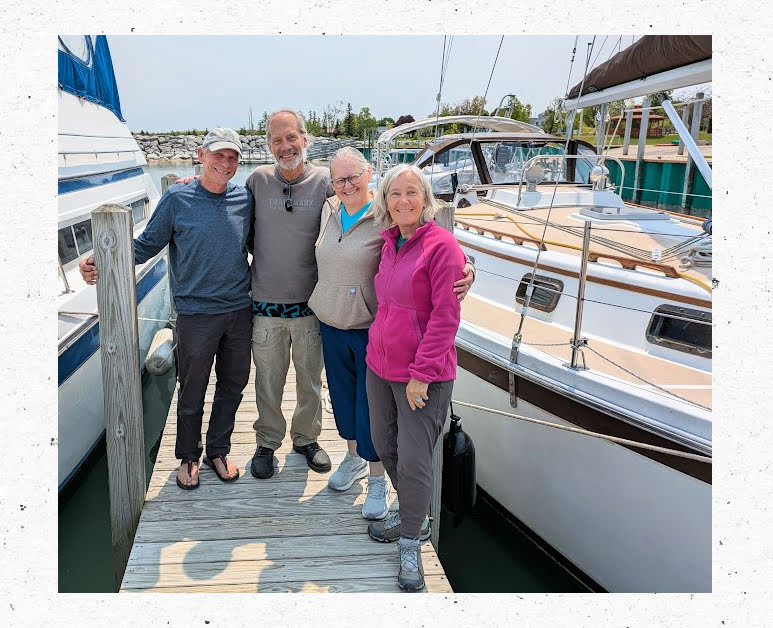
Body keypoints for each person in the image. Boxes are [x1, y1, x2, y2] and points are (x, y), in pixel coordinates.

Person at [79, 128, 254, 490]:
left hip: (239, 310)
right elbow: (145, 246)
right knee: (192, 389)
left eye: (233, 157)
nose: (226, 163)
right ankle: (189, 456)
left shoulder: (245, 199)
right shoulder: (176, 198)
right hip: (195, 314)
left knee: (234, 385)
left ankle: (218, 450)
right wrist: (102, 259)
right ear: (201, 154)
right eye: (219, 155)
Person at [308, 147, 474, 522]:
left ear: (369, 174)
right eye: (339, 179)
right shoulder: (330, 210)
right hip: (333, 322)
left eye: (354, 176)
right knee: (345, 404)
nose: (347, 185)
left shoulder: (382, 219)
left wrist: (468, 269)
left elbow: (437, 258)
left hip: (371, 328)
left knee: (373, 415)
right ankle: (353, 458)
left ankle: (379, 480)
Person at [364, 164, 466, 592]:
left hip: (422, 377)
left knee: (415, 457)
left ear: (425, 199)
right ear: (385, 201)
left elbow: (446, 316)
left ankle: (410, 541)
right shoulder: (390, 243)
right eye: (394, 194)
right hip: (380, 367)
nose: (402, 200)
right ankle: (413, 513)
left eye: (411, 192)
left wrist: (421, 375)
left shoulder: (441, 246)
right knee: (385, 444)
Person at [245, 110, 334, 479]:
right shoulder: (256, 180)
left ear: (305, 139)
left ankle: (306, 439)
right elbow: (232, 217)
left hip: (311, 307)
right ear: (269, 146)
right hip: (265, 305)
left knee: (310, 379)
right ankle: (267, 442)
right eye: (277, 140)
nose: (286, 147)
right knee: (267, 380)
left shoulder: (327, 181)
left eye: (291, 137)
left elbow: (367, 215)